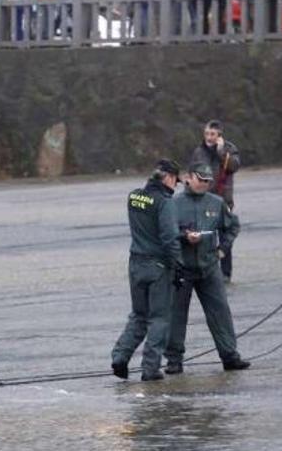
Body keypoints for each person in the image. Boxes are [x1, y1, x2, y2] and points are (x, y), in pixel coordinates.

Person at [164, 164, 250, 375]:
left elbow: (232, 227)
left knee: (220, 312)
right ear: (189, 178)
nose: (204, 184)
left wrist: (222, 249)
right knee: (175, 315)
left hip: (209, 267)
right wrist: (185, 237)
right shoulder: (173, 204)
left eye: (207, 181)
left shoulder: (216, 202)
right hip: (181, 269)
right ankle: (174, 360)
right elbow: (165, 234)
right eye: (201, 179)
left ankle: (230, 356)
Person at [111, 159, 182, 382]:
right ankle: (150, 369)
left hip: (135, 263)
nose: (176, 186)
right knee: (159, 318)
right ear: (169, 178)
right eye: (175, 182)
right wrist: (177, 265)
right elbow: (170, 237)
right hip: (158, 266)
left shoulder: (134, 196)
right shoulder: (165, 202)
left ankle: (120, 357)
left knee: (138, 315)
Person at [189, 120, 241, 281]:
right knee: (204, 235)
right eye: (206, 133)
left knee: (226, 235)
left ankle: (226, 273)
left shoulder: (229, 150)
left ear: (219, 135)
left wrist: (221, 151)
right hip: (203, 199)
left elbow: (234, 166)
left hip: (223, 199)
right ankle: (205, 270)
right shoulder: (198, 152)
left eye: (212, 134)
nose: (209, 137)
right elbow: (192, 173)